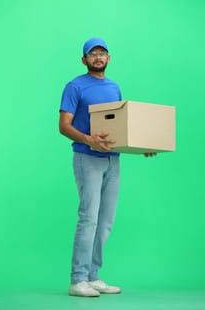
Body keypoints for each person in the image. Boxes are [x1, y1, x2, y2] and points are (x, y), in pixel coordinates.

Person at [59, 37, 155, 297]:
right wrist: (89, 139)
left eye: (102, 53)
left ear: (108, 58)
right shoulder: (75, 86)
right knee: (88, 217)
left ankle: (93, 276)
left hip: (113, 159)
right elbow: (64, 125)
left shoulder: (114, 87)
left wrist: (142, 144)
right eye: (93, 54)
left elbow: (121, 126)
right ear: (84, 60)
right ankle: (77, 279)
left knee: (106, 221)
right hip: (87, 158)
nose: (98, 57)